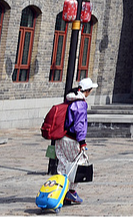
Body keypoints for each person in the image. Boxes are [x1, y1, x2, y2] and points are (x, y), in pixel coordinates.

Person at [58, 77, 98, 206]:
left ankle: (59, 190)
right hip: (72, 139)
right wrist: (82, 142)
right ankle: (71, 192)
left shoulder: (69, 99)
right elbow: (79, 125)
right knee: (77, 165)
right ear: (87, 91)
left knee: (63, 164)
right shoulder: (80, 104)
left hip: (61, 138)